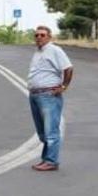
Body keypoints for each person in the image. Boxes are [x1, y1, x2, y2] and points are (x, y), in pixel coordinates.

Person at [27, 25, 73, 172]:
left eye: (42, 35)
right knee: (42, 131)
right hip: (35, 94)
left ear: (49, 37)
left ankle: (51, 161)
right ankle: (46, 158)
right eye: (37, 35)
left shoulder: (54, 50)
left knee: (51, 130)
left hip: (48, 95)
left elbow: (68, 68)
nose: (39, 37)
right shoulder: (38, 52)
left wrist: (64, 86)